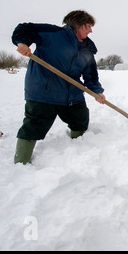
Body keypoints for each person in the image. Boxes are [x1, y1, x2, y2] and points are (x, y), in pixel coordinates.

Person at [12, 10, 106, 165]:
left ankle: (79, 155)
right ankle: (20, 163)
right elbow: (25, 29)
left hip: (72, 94)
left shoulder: (86, 48)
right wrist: (22, 43)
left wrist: (97, 91)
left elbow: (90, 73)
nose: (91, 30)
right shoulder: (53, 33)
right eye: (88, 26)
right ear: (76, 24)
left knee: (80, 120)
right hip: (44, 92)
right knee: (34, 125)